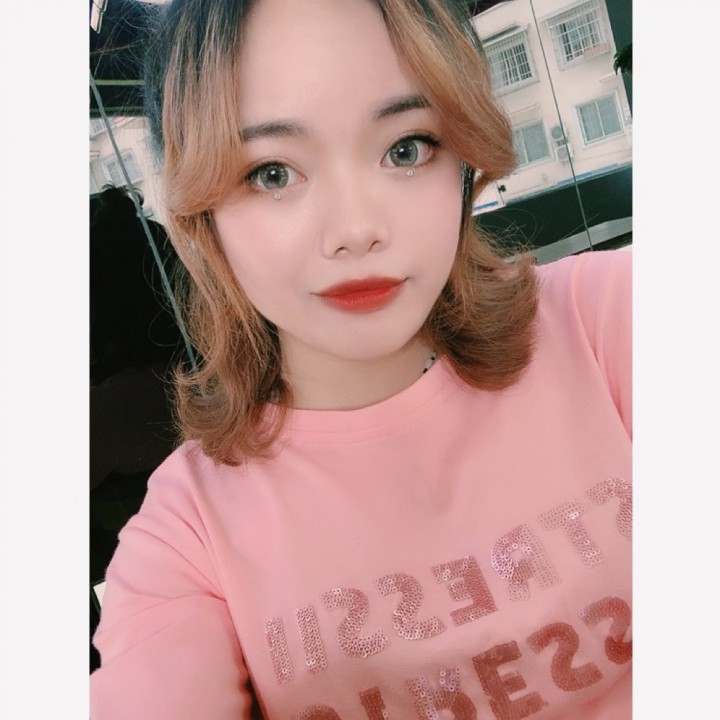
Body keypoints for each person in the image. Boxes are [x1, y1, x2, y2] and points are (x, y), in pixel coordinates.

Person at [90, 0, 631, 718]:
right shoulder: (188, 537)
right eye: (272, 173)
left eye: (406, 149)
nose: (355, 229)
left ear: (463, 158)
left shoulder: (608, 319)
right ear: (203, 214)